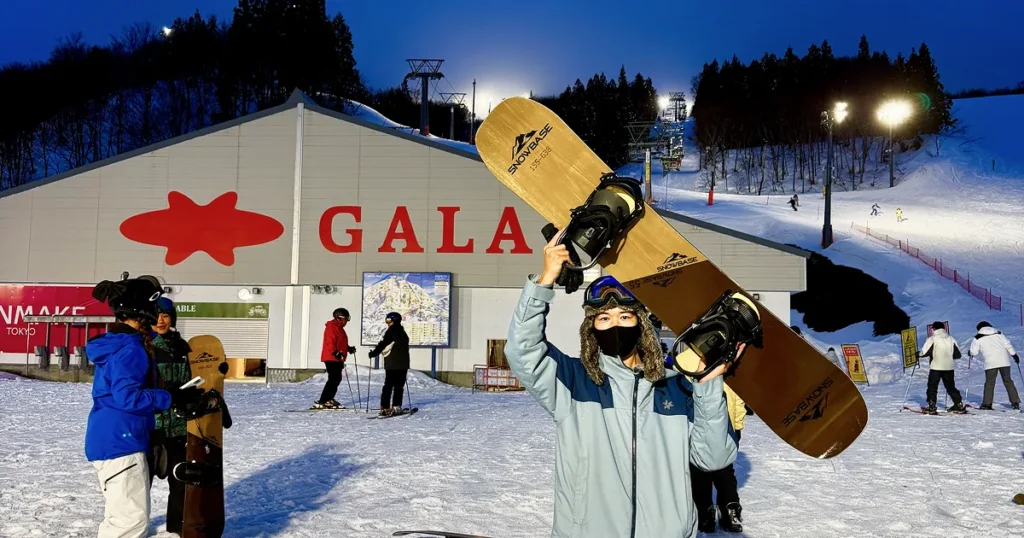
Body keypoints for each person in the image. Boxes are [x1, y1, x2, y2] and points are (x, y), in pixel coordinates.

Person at [503, 232, 740, 537]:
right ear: (591, 330)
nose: (614, 324)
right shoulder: (574, 382)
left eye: (625, 315)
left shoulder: (677, 388)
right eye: (603, 319)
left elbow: (714, 457)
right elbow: (522, 351)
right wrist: (545, 280)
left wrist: (707, 385)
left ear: (641, 325)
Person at [85, 274, 203, 538]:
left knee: (122, 519)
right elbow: (128, 397)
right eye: (154, 304)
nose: (158, 313)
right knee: (130, 523)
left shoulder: (117, 343)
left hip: (112, 438)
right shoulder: (130, 349)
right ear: (144, 309)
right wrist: (169, 397)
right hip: (122, 441)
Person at [148, 297, 192, 536]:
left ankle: (176, 529)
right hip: (153, 426)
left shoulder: (183, 346)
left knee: (180, 481)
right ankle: (136, 527)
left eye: (165, 315)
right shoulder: (146, 346)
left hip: (179, 426)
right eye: (156, 316)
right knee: (143, 483)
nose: (161, 321)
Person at [691, 381, 746, 533]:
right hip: (724, 427)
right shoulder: (729, 361)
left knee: (700, 469)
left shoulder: (685, 360)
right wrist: (737, 424)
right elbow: (739, 395)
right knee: (724, 469)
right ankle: (730, 510)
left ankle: (706, 514)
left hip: (700, 425)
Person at [969, 321, 1020, 410]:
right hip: (1004, 362)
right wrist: (1014, 355)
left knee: (990, 383)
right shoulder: (999, 334)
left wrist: (970, 353)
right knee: (1008, 381)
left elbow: (974, 352)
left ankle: (987, 404)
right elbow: (1008, 345)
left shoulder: (977, 337)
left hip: (990, 363)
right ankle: (1015, 402)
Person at [368, 312, 411, 416]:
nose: (387, 323)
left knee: (388, 385)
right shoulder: (401, 332)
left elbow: (383, 344)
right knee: (398, 386)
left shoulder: (391, 331)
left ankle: (385, 407)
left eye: (389, 321)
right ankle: (396, 406)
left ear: (395, 320)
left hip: (391, 363)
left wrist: (373, 353)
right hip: (401, 364)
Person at [920, 321, 966, 414]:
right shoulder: (951, 338)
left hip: (936, 367)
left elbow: (924, 353)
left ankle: (932, 405)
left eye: (932, 328)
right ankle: (958, 403)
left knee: (932, 387)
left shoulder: (932, 338)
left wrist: (918, 354)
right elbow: (958, 355)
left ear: (934, 328)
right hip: (949, 367)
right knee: (950, 387)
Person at [316, 307, 356, 409]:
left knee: (336, 379)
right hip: (331, 357)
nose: (346, 322)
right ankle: (324, 400)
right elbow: (330, 342)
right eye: (345, 319)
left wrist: (348, 349)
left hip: (337, 358)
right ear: (339, 318)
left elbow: (340, 343)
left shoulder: (339, 328)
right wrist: (335, 352)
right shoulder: (332, 327)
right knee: (334, 379)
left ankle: (329, 399)